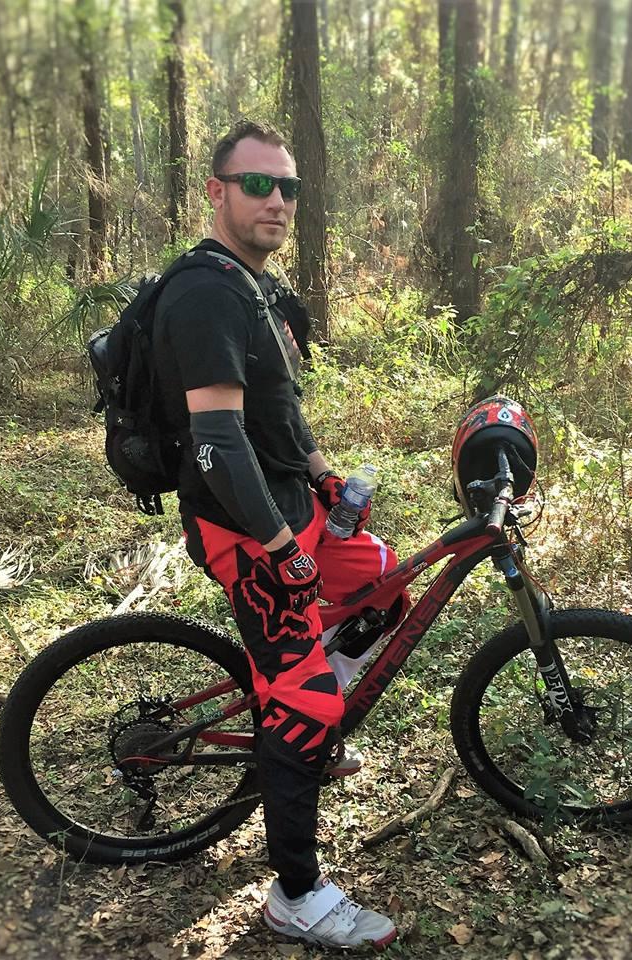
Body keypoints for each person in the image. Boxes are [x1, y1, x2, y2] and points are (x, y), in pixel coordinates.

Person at [153, 119, 406, 950]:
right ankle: (296, 895)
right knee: (302, 696)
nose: (276, 200)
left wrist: (328, 479)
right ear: (216, 190)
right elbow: (219, 445)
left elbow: (277, 421)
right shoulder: (206, 293)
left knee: (384, 586)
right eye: (257, 183)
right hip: (244, 527)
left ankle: (307, 725)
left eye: (288, 186)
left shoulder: (254, 285)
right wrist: (282, 550)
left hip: (291, 505)